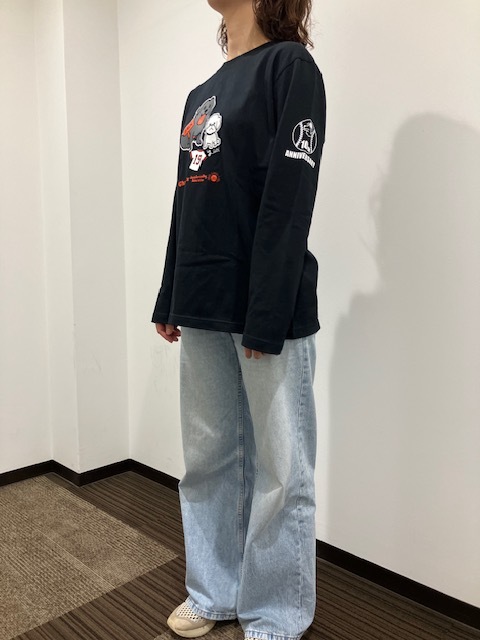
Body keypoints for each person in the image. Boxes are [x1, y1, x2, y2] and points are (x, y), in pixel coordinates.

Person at [152, 1, 326, 638]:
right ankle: (214, 591)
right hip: (201, 299)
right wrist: (169, 295)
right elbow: (186, 203)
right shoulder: (200, 93)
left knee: (281, 468)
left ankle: (276, 613)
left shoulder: (290, 68)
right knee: (207, 458)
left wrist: (267, 313)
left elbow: (289, 199)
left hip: (264, 306)